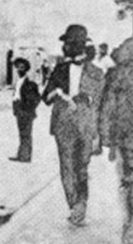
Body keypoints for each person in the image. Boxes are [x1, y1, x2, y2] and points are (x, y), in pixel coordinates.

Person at [42, 24, 105, 227]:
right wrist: (58, 93)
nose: (68, 47)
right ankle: (74, 205)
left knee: (82, 168)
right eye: (67, 44)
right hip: (63, 125)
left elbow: (101, 102)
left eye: (72, 43)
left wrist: (98, 133)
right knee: (67, 167)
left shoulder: (96, 72)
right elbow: (46, 97)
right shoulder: (60, 69)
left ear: (82, 45)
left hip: (86, 126)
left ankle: (81, 205)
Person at [96, 33, 133, 244]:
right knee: (132, 184)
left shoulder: (116, 73)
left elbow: (107, 107)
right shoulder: (117, 74)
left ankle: (132, 231)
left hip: (128, 136)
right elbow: (108, 106)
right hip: (129, 136)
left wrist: (106, 138)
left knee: (130, 184)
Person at [9, 58, 40, 163]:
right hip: (18, 110)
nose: (19, 69)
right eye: (17, 67)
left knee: (26, 133)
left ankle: (26, 156)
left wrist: (28, 109)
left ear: (26, 69)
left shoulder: (30, 83)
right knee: (21, 133)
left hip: (25, 111)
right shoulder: (18, 81)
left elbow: (36, 99)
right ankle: (21, 154)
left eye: (21, 67)